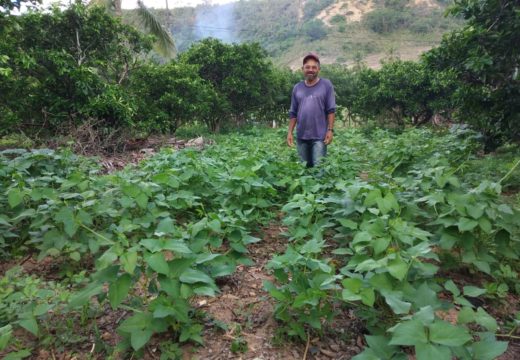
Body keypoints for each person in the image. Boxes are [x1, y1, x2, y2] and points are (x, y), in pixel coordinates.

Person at [287, 52, 336, 168]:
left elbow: (331, 110)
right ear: (302, 69)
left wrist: (330, 130)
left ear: (318, 69)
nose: (311, 70)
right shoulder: (297, 88)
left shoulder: (326, 85)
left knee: (318, 168)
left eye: (314, 67)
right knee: (303, 169)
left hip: (320, 137)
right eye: (307, 67)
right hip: (301, 137)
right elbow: (293, 112)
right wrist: (289, 132)